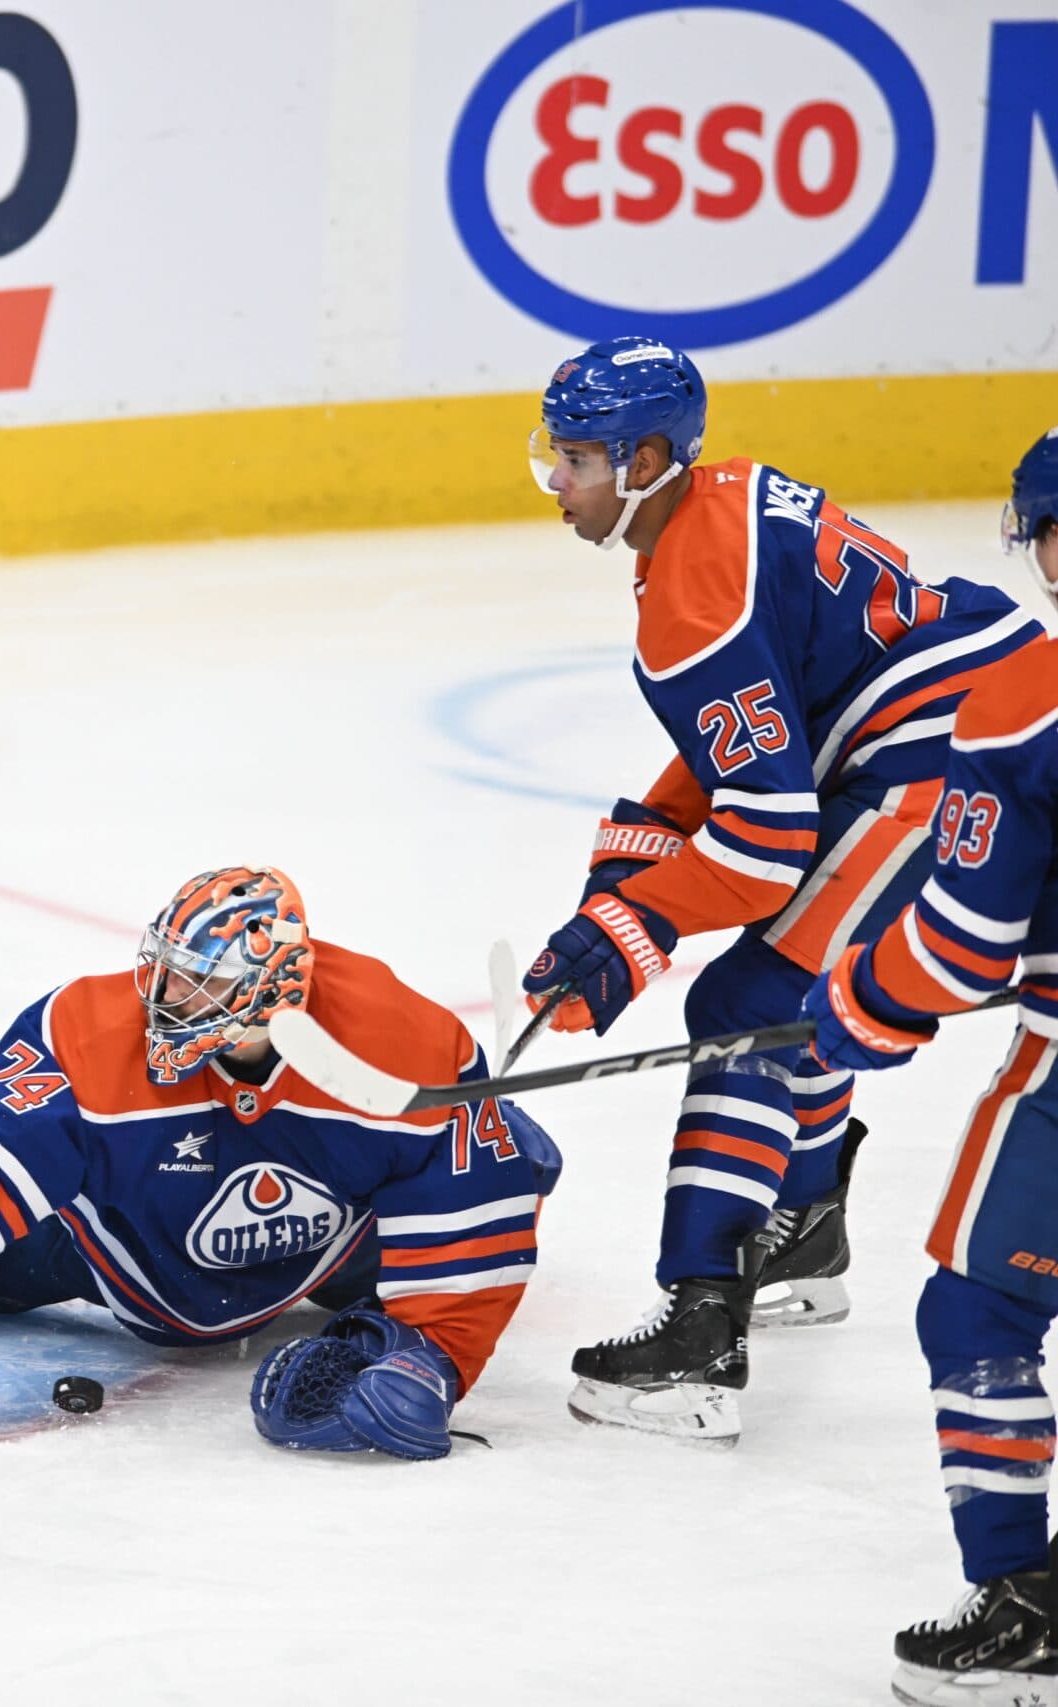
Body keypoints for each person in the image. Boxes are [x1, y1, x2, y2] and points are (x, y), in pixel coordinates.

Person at [513, 338, 1037, 1441]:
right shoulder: (729, 493)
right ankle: (799, 1225)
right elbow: (766, 729)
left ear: (647, 457)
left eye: (574, 459)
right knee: (809, 988)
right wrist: (644, 847)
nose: (556, 483)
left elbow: (763, 844)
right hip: (980, 708)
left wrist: (627, 928)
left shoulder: (690, 598)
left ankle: (699, 1338)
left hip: (952, 760)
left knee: (750, 1009)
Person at [0, 867, 560, 1461]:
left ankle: (470, 1171)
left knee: (499, 1166)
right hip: (112, 1245)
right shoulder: (87, 1033)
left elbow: (465, 1201)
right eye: (165, 972)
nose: (162, 1001)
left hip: (331, 1234)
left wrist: (430, 1356)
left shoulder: (404, 1041)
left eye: (196, 988)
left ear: (279, 987)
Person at [803, 427, 1058, 1706]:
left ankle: (1022, 1606)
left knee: (979, 1308)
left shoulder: (1025, 701)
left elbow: (960, 947)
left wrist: (860, 1003)